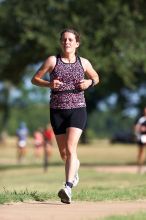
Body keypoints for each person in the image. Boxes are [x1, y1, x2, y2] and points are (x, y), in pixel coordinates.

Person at [31, 28, 99, 204]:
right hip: (57, 110)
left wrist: (89, 82)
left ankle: (67, 187)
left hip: (78, 109)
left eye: (70, 40)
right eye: (64, 40)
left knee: (70, 148)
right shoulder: (53, 61)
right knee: (64, 154)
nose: (67, 42)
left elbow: (96, 77)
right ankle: (74, 169)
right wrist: (49, 83)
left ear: (77, 43)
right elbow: (34, 79)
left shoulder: (83, 63)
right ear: (60, 42)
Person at [135, 107, 146, 173]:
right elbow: (137, 127)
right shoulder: (141, 119)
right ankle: (140, 167)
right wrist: (138, 132)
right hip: (142, 137)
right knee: (140, 152)